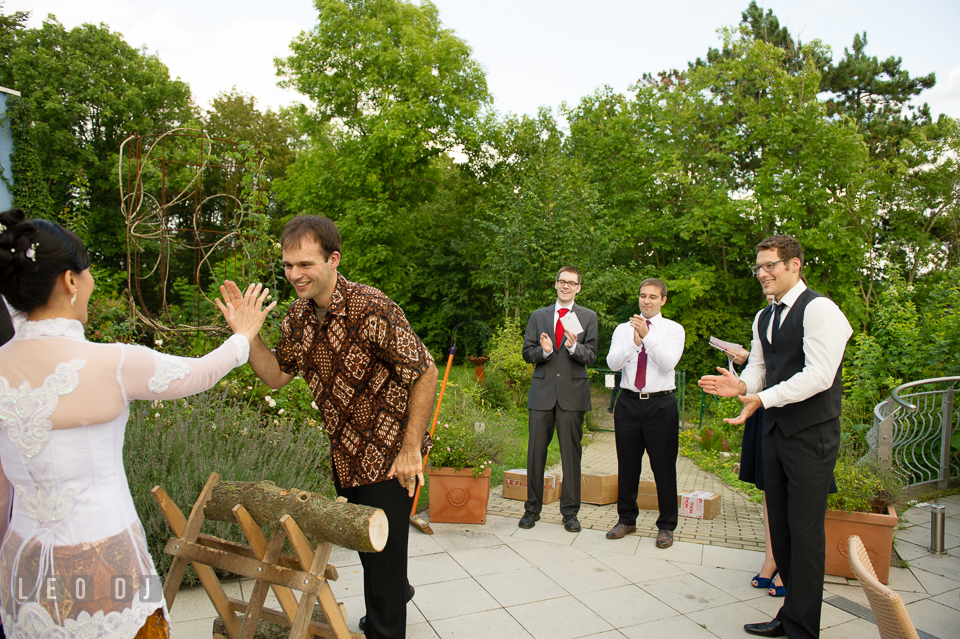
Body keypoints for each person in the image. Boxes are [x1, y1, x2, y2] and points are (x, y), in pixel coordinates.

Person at [0, 208, 275, 638]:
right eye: (87, 273)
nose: (90, 283)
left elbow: (2, 492)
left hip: (23, 566)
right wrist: (243, 335)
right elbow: (199, 373)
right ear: (70, 281)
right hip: (106, 559)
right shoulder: (110, 363)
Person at [222, 215, 437, 639]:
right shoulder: (298, 317)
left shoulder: (371, 307)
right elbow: (274, 375)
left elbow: (425, 371)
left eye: (305, 264)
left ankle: (387, 616)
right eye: (287, 265)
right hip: (345, 457)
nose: (295, 274)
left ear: (333, 259)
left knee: (383, 570)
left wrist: (411, 450)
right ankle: (396, 587)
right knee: (371, 551)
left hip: (389, 459)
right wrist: (246, 336)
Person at [699, 235, 852, 639]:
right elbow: (761, 369)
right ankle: (789, 616)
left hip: (811, 434)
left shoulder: (821, 310)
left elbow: (819, 376)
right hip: (773, 432)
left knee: (805, 531)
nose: (762, 273)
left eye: (771, 265)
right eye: (759, 267)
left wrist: (760, 397)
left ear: (795, 265)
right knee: (780, 528)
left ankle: (804, 627)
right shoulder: (763, 316)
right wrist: (742, 386)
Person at [604, 278, 685, 548]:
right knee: (627, 465)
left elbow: (668, 363)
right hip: (627, 403)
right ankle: (626, 519)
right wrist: (634, 343)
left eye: (652, 296)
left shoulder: (674, 330)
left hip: (660, 405)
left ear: (663, 300)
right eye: (642, 295)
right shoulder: (623, 329)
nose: (646, 301)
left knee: (663, 466)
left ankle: (666, 525)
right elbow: (613, 363)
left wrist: (647, 338)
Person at [519, 267, 598, 532]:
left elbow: (591, 356)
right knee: (535, 454)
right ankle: (532, 509)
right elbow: (527, 352)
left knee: (570, 456)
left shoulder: (588, 317)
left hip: (572, 396)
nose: (566, 286)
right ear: (555, 285)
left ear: (578, 287)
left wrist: (574, 347)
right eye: (562, 281)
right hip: (542, 395)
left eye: (571, 283)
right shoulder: (538, 316)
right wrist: (544, 352)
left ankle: (570, 513)